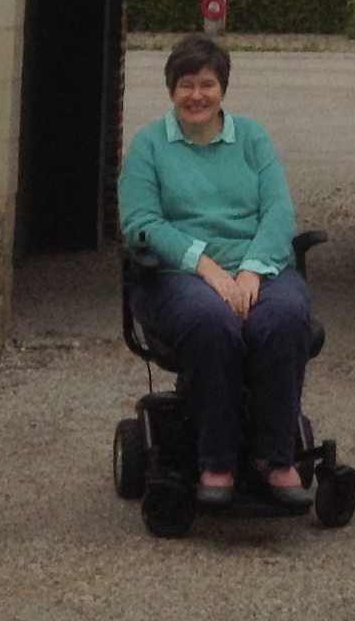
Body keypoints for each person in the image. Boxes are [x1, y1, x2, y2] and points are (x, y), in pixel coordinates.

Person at [118, 32, 314, 509]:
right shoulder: (148, 146)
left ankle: (273, 457)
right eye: (186, 85)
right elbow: (141, 223)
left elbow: (278, 212)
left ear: (222, 87)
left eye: (207, 84)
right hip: (175, 276)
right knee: (211, 322)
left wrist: (251, 270)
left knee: (284, 319)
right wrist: (206, 268)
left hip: (256, 268)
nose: (197, 96)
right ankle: (217, 461)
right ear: (171, 89)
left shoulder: (252, 138)